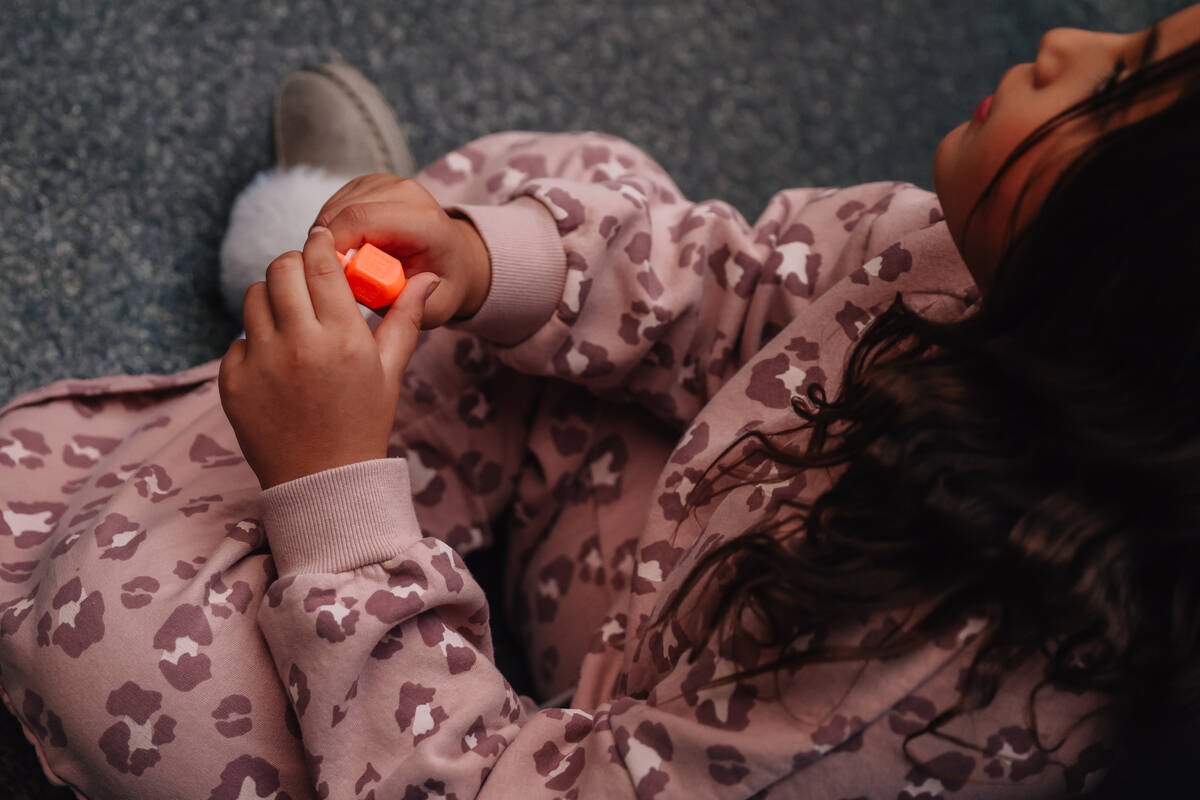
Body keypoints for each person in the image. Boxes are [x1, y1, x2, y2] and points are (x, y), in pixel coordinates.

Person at [2, 5, 1199, 797]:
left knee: (118, 654)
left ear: (1128, 296)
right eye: (1135, 33)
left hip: (587, 760)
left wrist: (333, 497)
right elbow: (728, 285)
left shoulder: (911, 684)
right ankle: (312, 360)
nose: (1066, 38)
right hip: (673, 581)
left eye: (1121, 82)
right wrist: (481, 262)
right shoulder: (967, 259)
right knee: (576, 189)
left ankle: (288, 378)